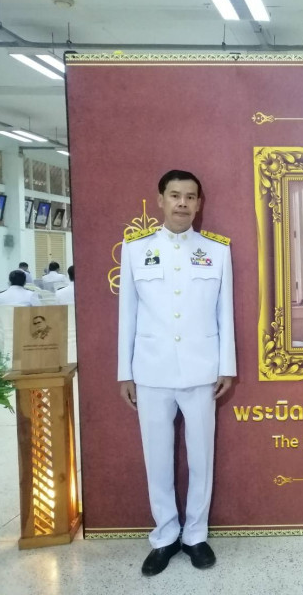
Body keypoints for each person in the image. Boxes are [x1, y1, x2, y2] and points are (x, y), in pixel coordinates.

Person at [117, 169, 235, 576]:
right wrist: (125, 372)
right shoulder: (136, 250)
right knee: (157, 458)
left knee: (202, 457)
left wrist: (226, 365)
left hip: (203, 370)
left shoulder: (216, 251)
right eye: (174, 195)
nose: (182, 203)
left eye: (190, 196)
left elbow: (224, 312)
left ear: (199, 203)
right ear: (160, 200)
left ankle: (195, 535)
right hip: (151, 370)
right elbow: (127, 314)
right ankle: (165, 536)